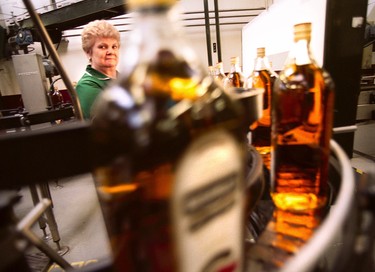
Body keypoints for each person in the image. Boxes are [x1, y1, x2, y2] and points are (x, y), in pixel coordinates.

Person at [76, 20, 120, 119]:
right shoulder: (86, 86)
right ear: (88, 52)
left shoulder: (124, 79)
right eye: (102, 47)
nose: (110, 51)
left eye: (114, 46)